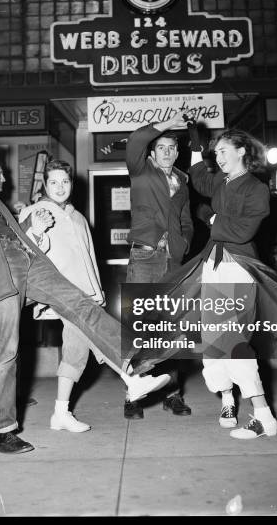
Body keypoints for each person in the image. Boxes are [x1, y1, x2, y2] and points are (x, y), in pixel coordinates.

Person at [0, 123, 171, 454]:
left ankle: (132, 369)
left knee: (80, 303)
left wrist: (30, 230)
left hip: (26, 262)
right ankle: (0, 431)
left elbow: (6, 231)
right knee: (5, 351)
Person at [161, 125, 277, 439]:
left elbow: (242, 232)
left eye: (223, 151)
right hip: (213, 265)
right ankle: (227, 400)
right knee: (212, 341)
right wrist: (198, 146)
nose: (218, 157)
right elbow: (199, 177)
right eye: (217, 153)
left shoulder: (256, 188)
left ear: (242, 152)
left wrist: (211, 219)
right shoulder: (223, 182)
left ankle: (263, 415)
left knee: (233, 341)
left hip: (237, 267)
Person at [18, 159, 106, 433]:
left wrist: (98, 290)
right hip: (60, 291)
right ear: (45, 185)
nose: (59, 187)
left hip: (86, 292)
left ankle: (61, 412)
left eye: (65, 182)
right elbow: (24, 246)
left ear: (71, 184)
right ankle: (130, 375)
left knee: (81, 345)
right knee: (88, 341)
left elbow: (89, 256)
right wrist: (36, 230)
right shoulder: (35, 212)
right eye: (53, 182)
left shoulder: (78, 217)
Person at [124, 115, 194, 419]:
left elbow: (187, 222)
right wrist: (169, 123)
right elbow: (137, 138)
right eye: (161, 147)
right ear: (152, 154)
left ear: (177, 153)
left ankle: (173, 394)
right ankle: (133, 396)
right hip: (144, 257)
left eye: (171, 148)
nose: (166, 152)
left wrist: (181, 245)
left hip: (172, 261)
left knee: (173, 329)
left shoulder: (183, 181)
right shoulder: (141, 171)